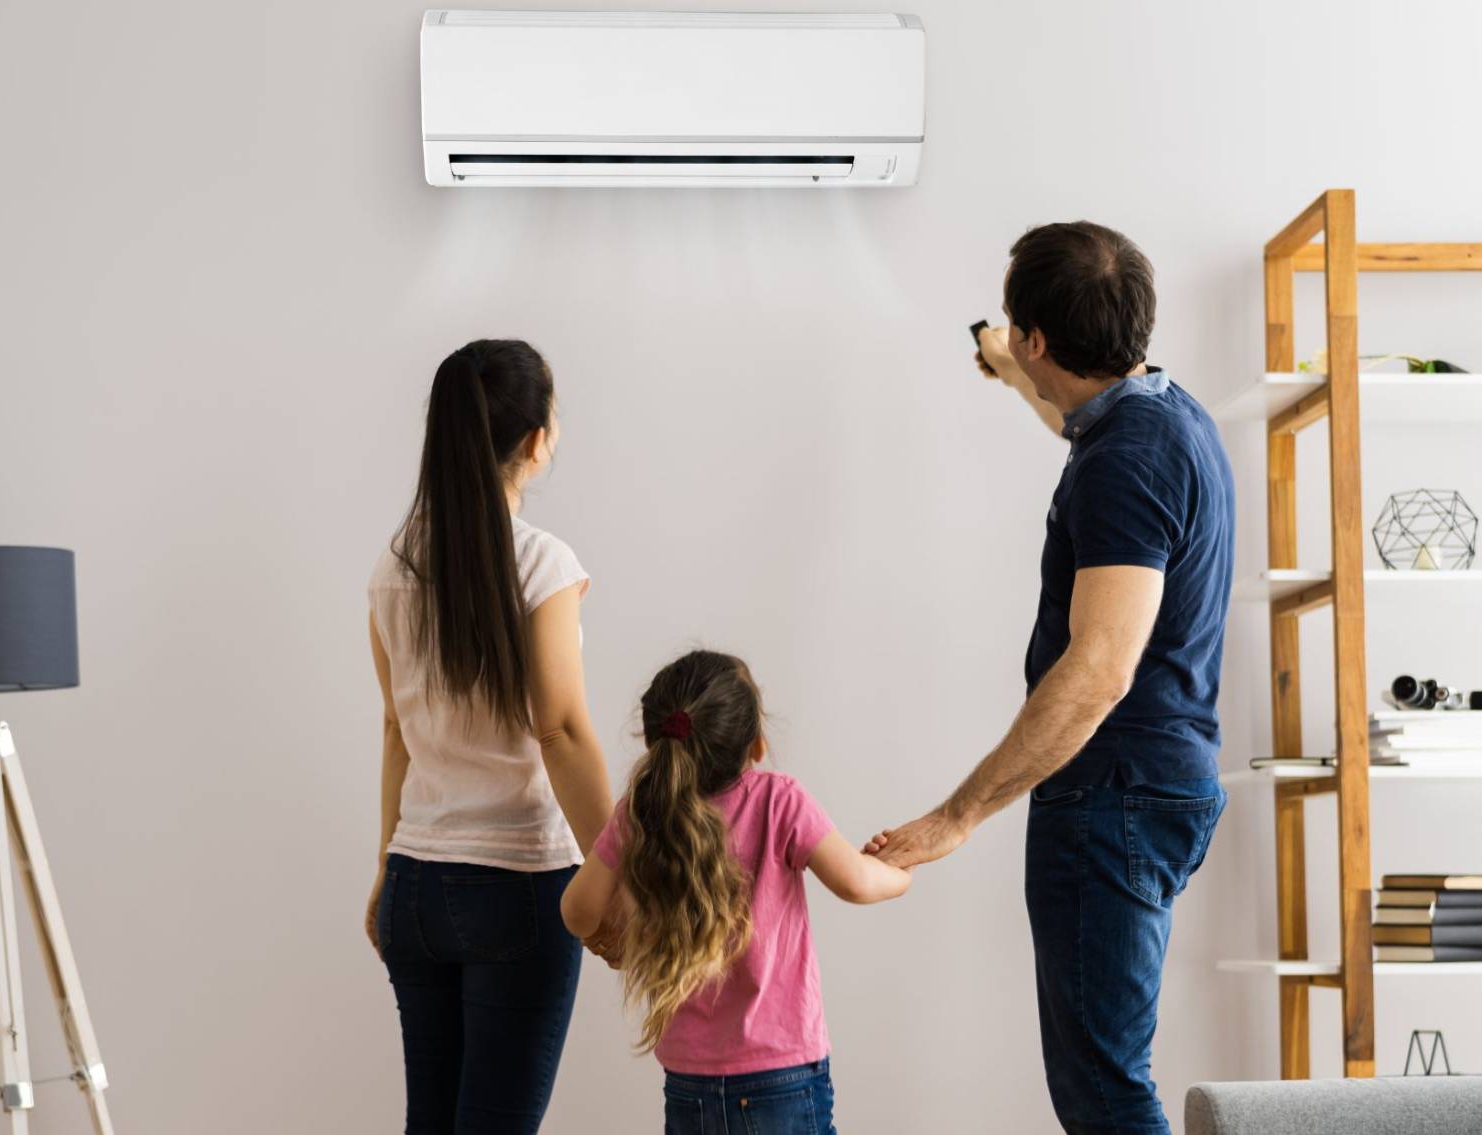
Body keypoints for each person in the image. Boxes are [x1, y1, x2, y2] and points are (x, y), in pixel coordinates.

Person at [866, 222, 1236, 1134]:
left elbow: (1100, 669)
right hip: (1156, 786)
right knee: (1107, 1078)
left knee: (1104, 1091)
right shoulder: (1166, 415)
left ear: (1040, 338)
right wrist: (1011, 371)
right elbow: (1086, 428)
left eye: (1017, 334)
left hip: (1112, 797)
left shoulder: (1125, 461)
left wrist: (957, 816)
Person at [365, 339, 616, 1134]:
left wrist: (386, 866)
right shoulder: (541, 564)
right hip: (518, 882)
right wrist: (619, 871)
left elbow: (397, 730)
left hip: (415, 882)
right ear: (536, 440)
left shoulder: (394, 567)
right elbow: (560, 728)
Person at [561, 650, 911, 1134]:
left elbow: (576, 910)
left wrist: (614, 939)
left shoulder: (641, 811)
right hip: (780, 1073)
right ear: (756, 745)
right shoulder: (778, 800)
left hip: (689, 1082)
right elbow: (856, 881)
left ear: (655, 742)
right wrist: (900, 871)